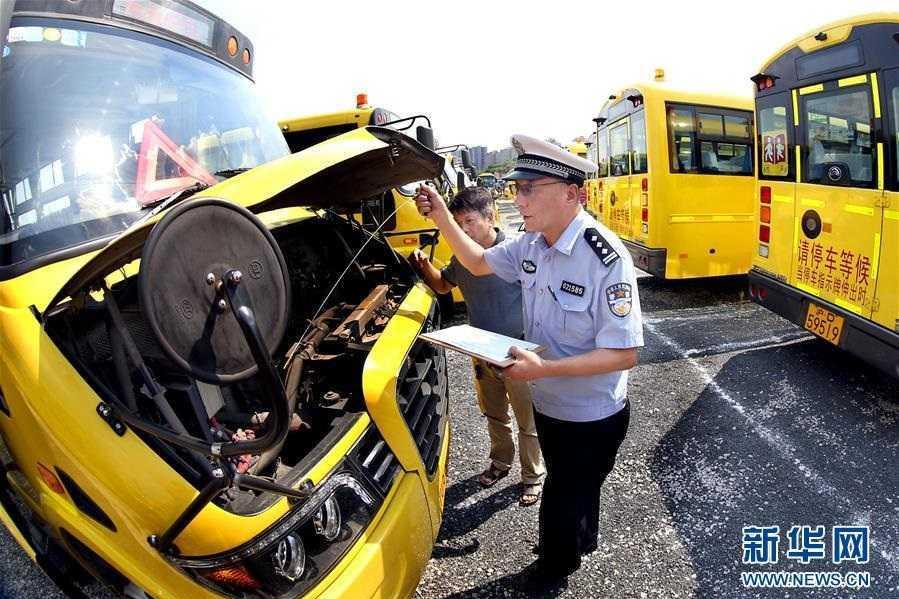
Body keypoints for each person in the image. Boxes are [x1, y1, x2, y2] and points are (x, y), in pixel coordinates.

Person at [415, 134, 644, 585]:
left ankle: (554, 568)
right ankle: (579, 540)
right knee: (571, 487)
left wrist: (546, 370)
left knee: (564, 491)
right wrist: (442, 214)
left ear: (571, 194)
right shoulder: (531, 245)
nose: (516, 199)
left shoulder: (604, 257)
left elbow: (625, 352)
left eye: (529, 189)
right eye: (516, 188)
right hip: (550, 405)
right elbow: (478, 261)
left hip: (591, 415)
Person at [409, 186, 545, 506]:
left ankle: (532, 477)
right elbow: (444, 284)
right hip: (483, 353)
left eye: (470, 221)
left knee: (528, 419)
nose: (464, 229)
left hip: (519, 353)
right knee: (494, 414)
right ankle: (500, 463)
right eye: (458, 223)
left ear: (491, 217)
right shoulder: (463, 256)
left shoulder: (515, 252)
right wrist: (422, 265)